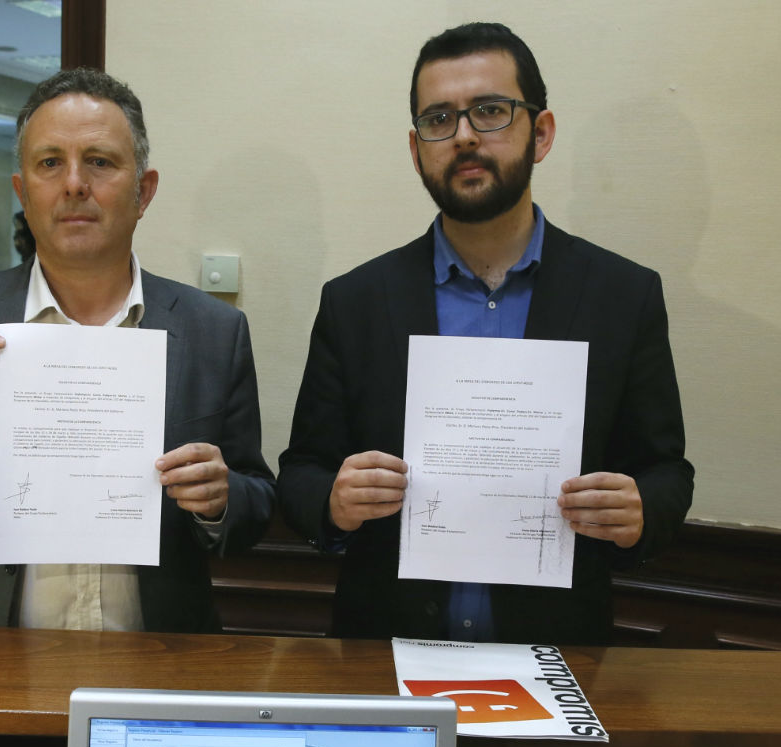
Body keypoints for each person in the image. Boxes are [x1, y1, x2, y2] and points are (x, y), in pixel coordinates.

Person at [277, 22, 693, 646]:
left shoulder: (622, 296)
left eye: (490, 112)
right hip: (384, 655)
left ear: (541, 133)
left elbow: (666, 474)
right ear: (416, 149)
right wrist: (334, 502)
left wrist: (640, 512)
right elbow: (302, 471)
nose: (465, 136)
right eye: (439, 119)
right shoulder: (356, 301)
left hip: (560, 654)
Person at [0, 67, 275, 632]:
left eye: (100, 161)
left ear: (143, 191)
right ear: (24, 191)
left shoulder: (214, 332)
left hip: (158, 666)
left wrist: (222, 500)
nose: (74, 183)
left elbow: (257, 502)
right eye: (50, 163)